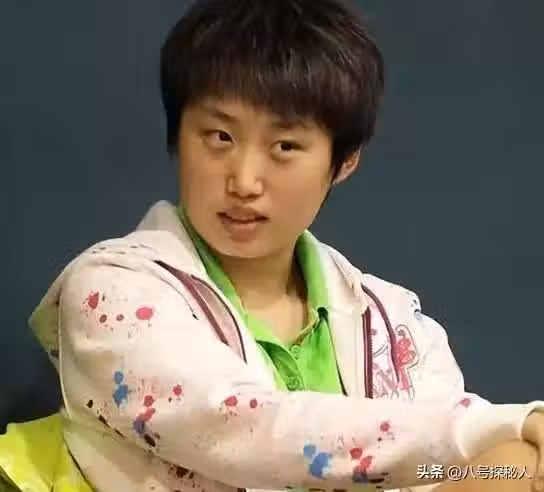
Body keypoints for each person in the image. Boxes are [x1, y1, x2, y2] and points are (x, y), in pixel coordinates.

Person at [8, 0, 544, 491]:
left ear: (344, 161)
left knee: (515, 466)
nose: (244, 180)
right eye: (220, 137)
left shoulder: (396, 323)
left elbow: (435, 469)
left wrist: (503, 457)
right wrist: (487, 424)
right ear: (177, 134)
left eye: (284, 146)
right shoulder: (110, 293)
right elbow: (244, 424)